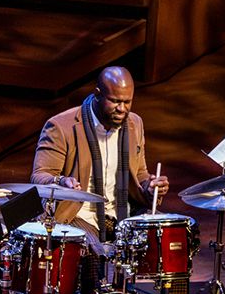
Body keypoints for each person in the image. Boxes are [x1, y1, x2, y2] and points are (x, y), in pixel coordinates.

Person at [31, 66, 170, 255]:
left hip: (122, 213)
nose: (122, 109)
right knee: (95, 254)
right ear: (98, 94)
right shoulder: (61, 127)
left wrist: (151, 187)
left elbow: (139, 173)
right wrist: (60, 182)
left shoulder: (134, 124)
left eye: (127, 102)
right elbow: (39, 176)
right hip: (80, 214)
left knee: (166, 236)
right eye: (115, 101)